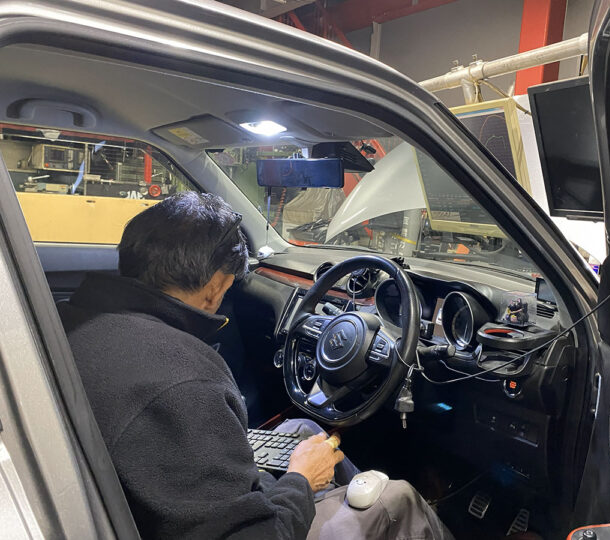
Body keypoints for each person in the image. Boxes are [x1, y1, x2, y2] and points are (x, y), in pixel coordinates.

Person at [58, 192, 451, 539]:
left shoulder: (69, 320)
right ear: (216, 285)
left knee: (303, 430)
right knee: (398, 500)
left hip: (144, 498)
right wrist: (301, 481)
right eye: (229, 284)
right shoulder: (185, 380)